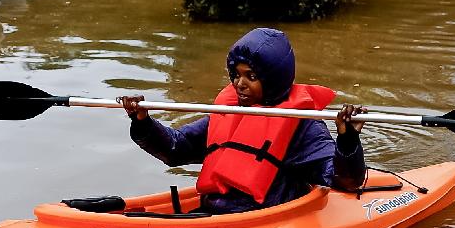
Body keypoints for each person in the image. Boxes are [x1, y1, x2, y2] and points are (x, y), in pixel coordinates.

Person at [121, 27, 365, 214]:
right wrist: (143, 122)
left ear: (273, 79)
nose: (240, 83)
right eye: (236, 75)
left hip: (263, 219)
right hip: (214, 214)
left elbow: (345, 181)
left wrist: (347, 140)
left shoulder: (302, 124)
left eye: (251, 76)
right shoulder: (231, 113)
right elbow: (176, 148)